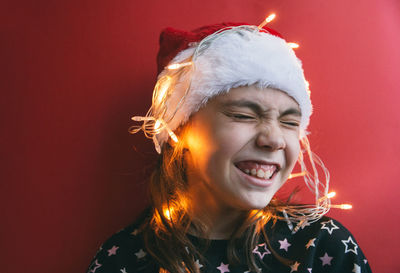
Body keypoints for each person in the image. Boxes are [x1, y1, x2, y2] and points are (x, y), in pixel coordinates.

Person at [87, 18, 372, 273]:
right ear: (180, 128)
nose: (273, 140)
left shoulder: (323, 247)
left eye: (289, 122)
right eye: (243, 115)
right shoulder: (124, 259)